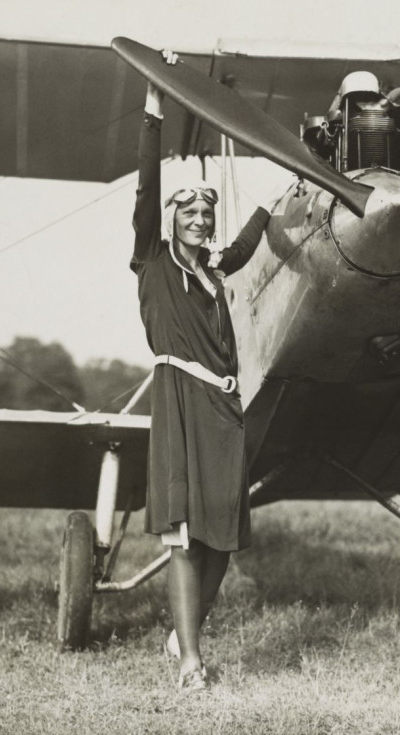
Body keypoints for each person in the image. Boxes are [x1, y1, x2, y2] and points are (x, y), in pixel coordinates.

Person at [131, 50, 283, 692]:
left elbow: (250, 240)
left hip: (226, 408)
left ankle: (182, 630)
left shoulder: (216, 271)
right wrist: (154, 107)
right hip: (181, 398)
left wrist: (286, 193)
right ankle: (192, 661)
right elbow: (146, 190)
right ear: (172, 220)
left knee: (223, 537)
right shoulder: (153, 263)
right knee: (187, 536)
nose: (198, 219)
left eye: (206, 214)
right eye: (188, 211)